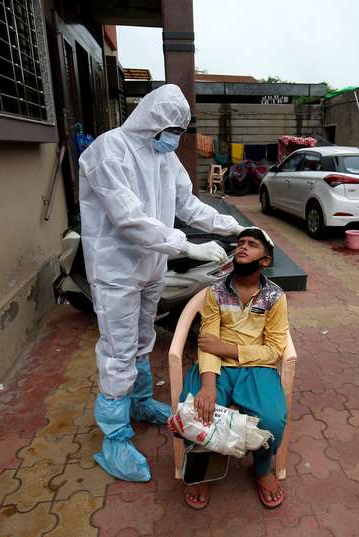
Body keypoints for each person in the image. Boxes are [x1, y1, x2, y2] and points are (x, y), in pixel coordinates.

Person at [79, 84, 244, 482]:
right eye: (171, 127)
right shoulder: (109, 150)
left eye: (180, 129)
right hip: (116, 269)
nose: (176, 135)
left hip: (152, 266)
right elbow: (129, 219)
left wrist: (232, 226)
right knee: (118, 350)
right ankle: (115, 436)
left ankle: (138, 402)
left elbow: (188, 204)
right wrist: (189, 246)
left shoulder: (163, 156)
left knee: (141, 340)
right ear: (151, 119)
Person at [180, 227, 288, 509]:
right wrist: (208, 385)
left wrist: (228, 348)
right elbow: (207, 343)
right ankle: (201, 471)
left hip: (257, 366)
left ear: (265, 260)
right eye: (240, 243)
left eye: (252, 245)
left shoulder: (275, 297)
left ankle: (262, 470)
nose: (243, 247)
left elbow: (274, 350)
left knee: (271, 419)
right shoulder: (215, 292)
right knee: (195, 410)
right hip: (216, 366)